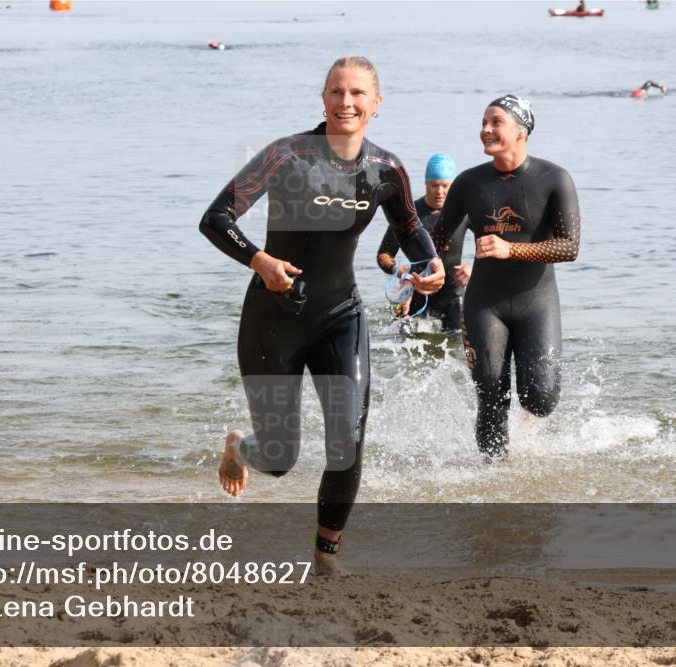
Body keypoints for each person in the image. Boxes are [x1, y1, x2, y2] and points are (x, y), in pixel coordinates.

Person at [199, 56, 445, 574]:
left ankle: (324, 556)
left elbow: (409, 229)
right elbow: (216, 218)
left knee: (348, 443)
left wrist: (431, 265)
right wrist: (259, 260)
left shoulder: (386, 170)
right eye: (336, 92)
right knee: (281, 459)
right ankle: (238, 446)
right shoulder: (287, 156)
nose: (346, 102)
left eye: (358, 93)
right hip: (273, 318)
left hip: (340, 316)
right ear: (324, 99)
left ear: (376, 104)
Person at [431, 95, 580, 460]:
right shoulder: (468, 184)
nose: (485, 129)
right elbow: (439, 239)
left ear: (521, 130)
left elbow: (569, 247)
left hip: (536, 301)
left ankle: (526, 436)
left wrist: (511, 249)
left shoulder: (553, 178)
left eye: (496, 122)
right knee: (491, 394)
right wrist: (435, 269)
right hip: (485, 301)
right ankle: (493, 475)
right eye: (483, 122)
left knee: (540, 398)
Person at [376, 152, 471, 332]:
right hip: (414, 295)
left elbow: (490, 242)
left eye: (445, 186)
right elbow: (384, 255)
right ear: (425, 183)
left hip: (452, 299)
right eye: (434, 185)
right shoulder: (409, 214)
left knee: (455, 350)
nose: (439, 192)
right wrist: (397, 270)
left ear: (454, 185)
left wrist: (474, 268)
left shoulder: (463, 213)